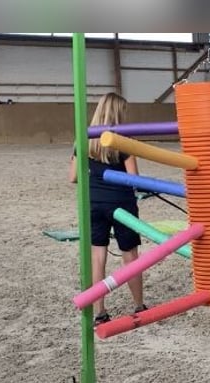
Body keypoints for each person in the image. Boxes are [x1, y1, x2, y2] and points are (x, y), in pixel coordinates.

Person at [68, 92, 147, 327]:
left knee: (97, 257)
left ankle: (100, 311)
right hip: (122, 204)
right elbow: (134, 178)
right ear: (119, 113)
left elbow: (72, 177)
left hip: (93, 204)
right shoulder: (123, 139)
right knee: (130, 256)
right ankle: (138, 306)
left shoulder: (83, 138)